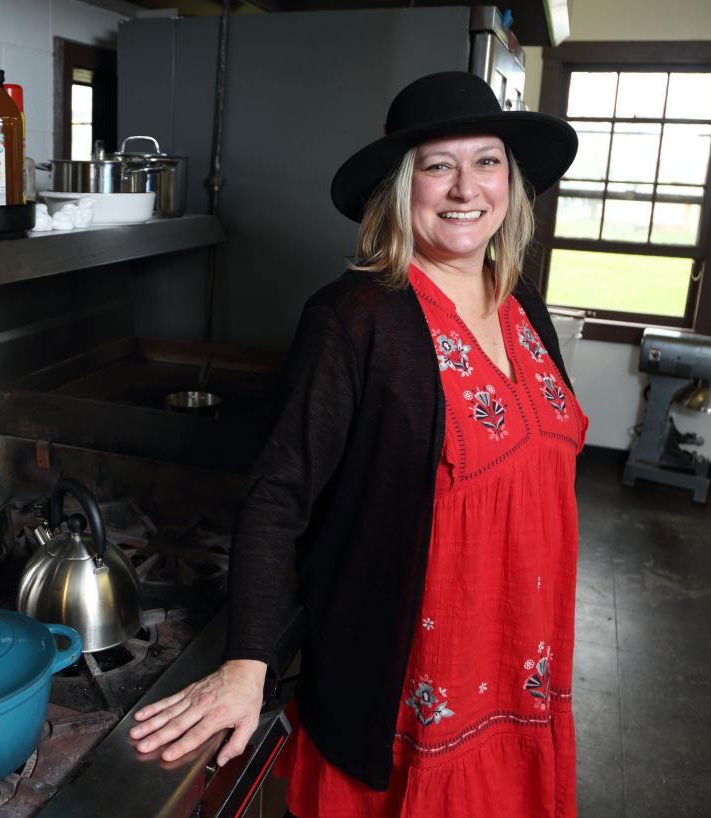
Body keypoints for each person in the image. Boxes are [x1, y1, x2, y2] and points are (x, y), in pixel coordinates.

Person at [129, 71, 584, 817]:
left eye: (487, 161)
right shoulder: (354, 318)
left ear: (512, 179)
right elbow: (279, 493)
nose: (465, 188)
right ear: (402, 188)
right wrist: (249, 660)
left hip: (522, 659)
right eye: (438, 165)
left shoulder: (523, 304)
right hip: (411, 686)